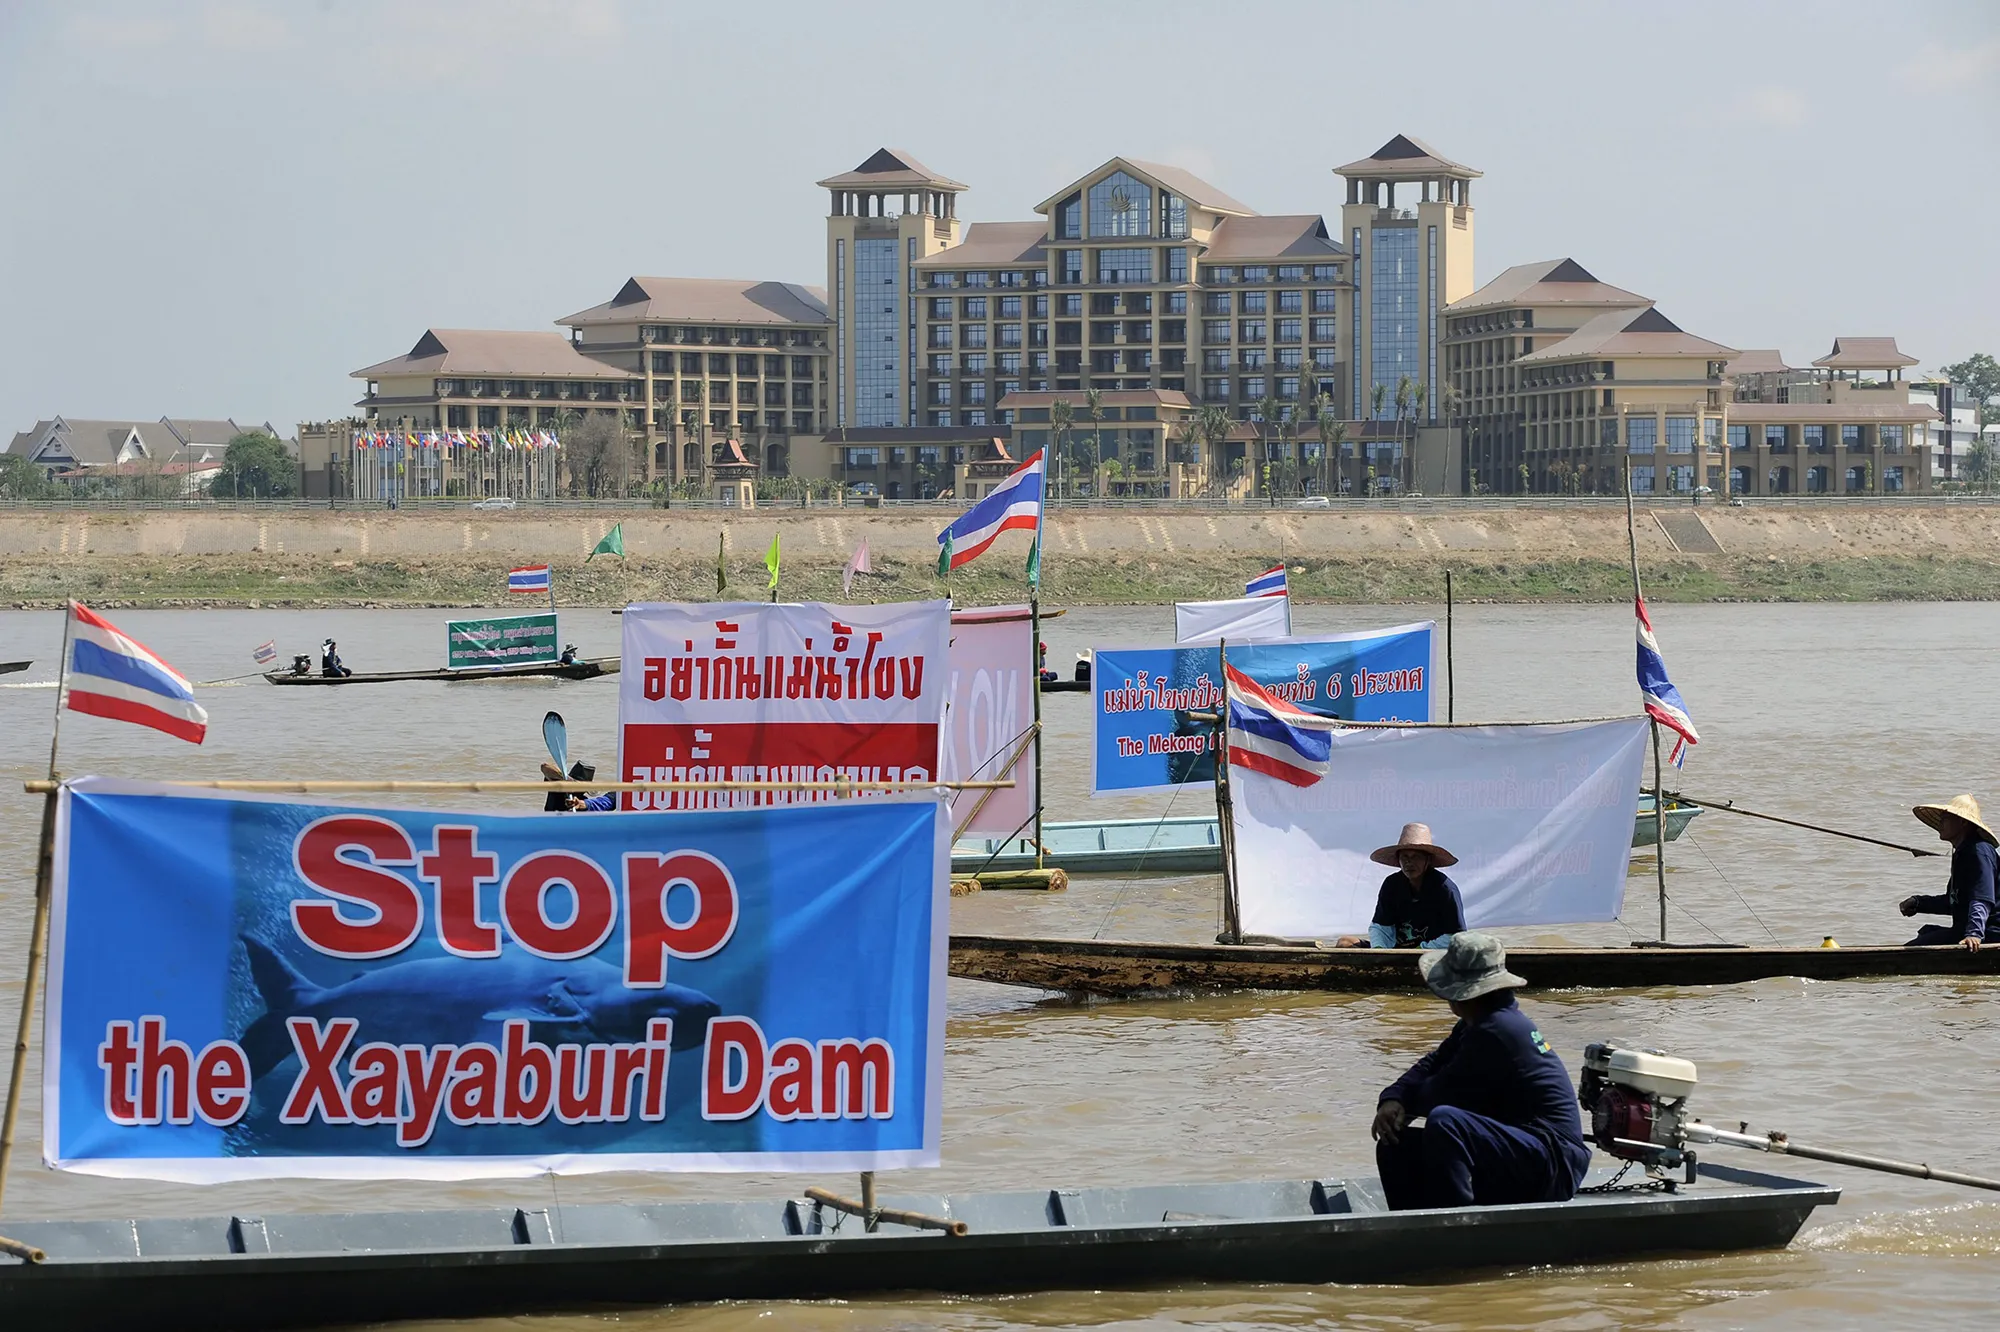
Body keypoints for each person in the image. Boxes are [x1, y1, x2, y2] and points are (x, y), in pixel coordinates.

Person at [1372, 932, 1593, 1211]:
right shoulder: (1478, 1022)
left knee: (1445, 1121)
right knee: (1395, 1144)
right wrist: (1393, 1097)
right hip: (1524, 1150)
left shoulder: (1498, 1031)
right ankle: (1415, 1229)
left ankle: (1460, 1229)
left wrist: (1404, 1103)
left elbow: (1440, 1092)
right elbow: (1433, 1062)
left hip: (1554, 1161)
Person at [1336, 823, 1467, 949]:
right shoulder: (1391, 884)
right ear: (1398, 860)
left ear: (1428, 860)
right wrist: (1379, 950)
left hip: (1430, 951)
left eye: (1416, 857)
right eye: (1405, 857)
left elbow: (1455, 936)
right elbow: (1381, 927)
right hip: (1396, 950)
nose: (1409, 862)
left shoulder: (1445, 889)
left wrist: (1419, 950)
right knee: (1345, 942)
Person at [1899, 795, 1999, 951]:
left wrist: (1974, 934)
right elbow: (1953, 902)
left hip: (1990, 933)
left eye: (1945, 818)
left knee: (1909, 952)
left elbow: (1982, 899)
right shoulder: (1963, 852)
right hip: (1967, 929)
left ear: (1963, 822)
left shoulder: (1978, 851)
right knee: (1924, 934)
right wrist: (1919, 903)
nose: (1940, 822)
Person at [541, 760, 614, 812]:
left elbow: (604, 803)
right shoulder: (557, 790)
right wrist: (568, 781)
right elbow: (545, 766)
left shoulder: (582, 801)